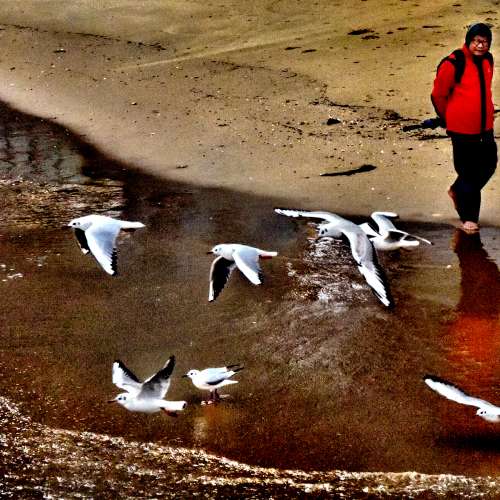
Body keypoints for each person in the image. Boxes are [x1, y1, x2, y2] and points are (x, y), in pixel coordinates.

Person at [431, 23, 497, 233]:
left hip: (485, 126)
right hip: (461, 129)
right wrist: (447, 118)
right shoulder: (453, 62)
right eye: (476, 41)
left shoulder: (488, 60)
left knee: (489, 164)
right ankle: (469, 219)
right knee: (469, 173)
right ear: (468, 41)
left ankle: (457, 190)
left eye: (485, 42)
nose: (481, 45)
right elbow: (438, 95)